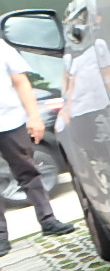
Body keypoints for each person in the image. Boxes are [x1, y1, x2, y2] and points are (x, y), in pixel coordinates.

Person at [0, 39, 74, 257]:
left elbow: (21, 81)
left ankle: (48, 220)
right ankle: (1, 237)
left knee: (28, 172)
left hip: (11, 121)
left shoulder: (1, 46)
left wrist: (34, 117)